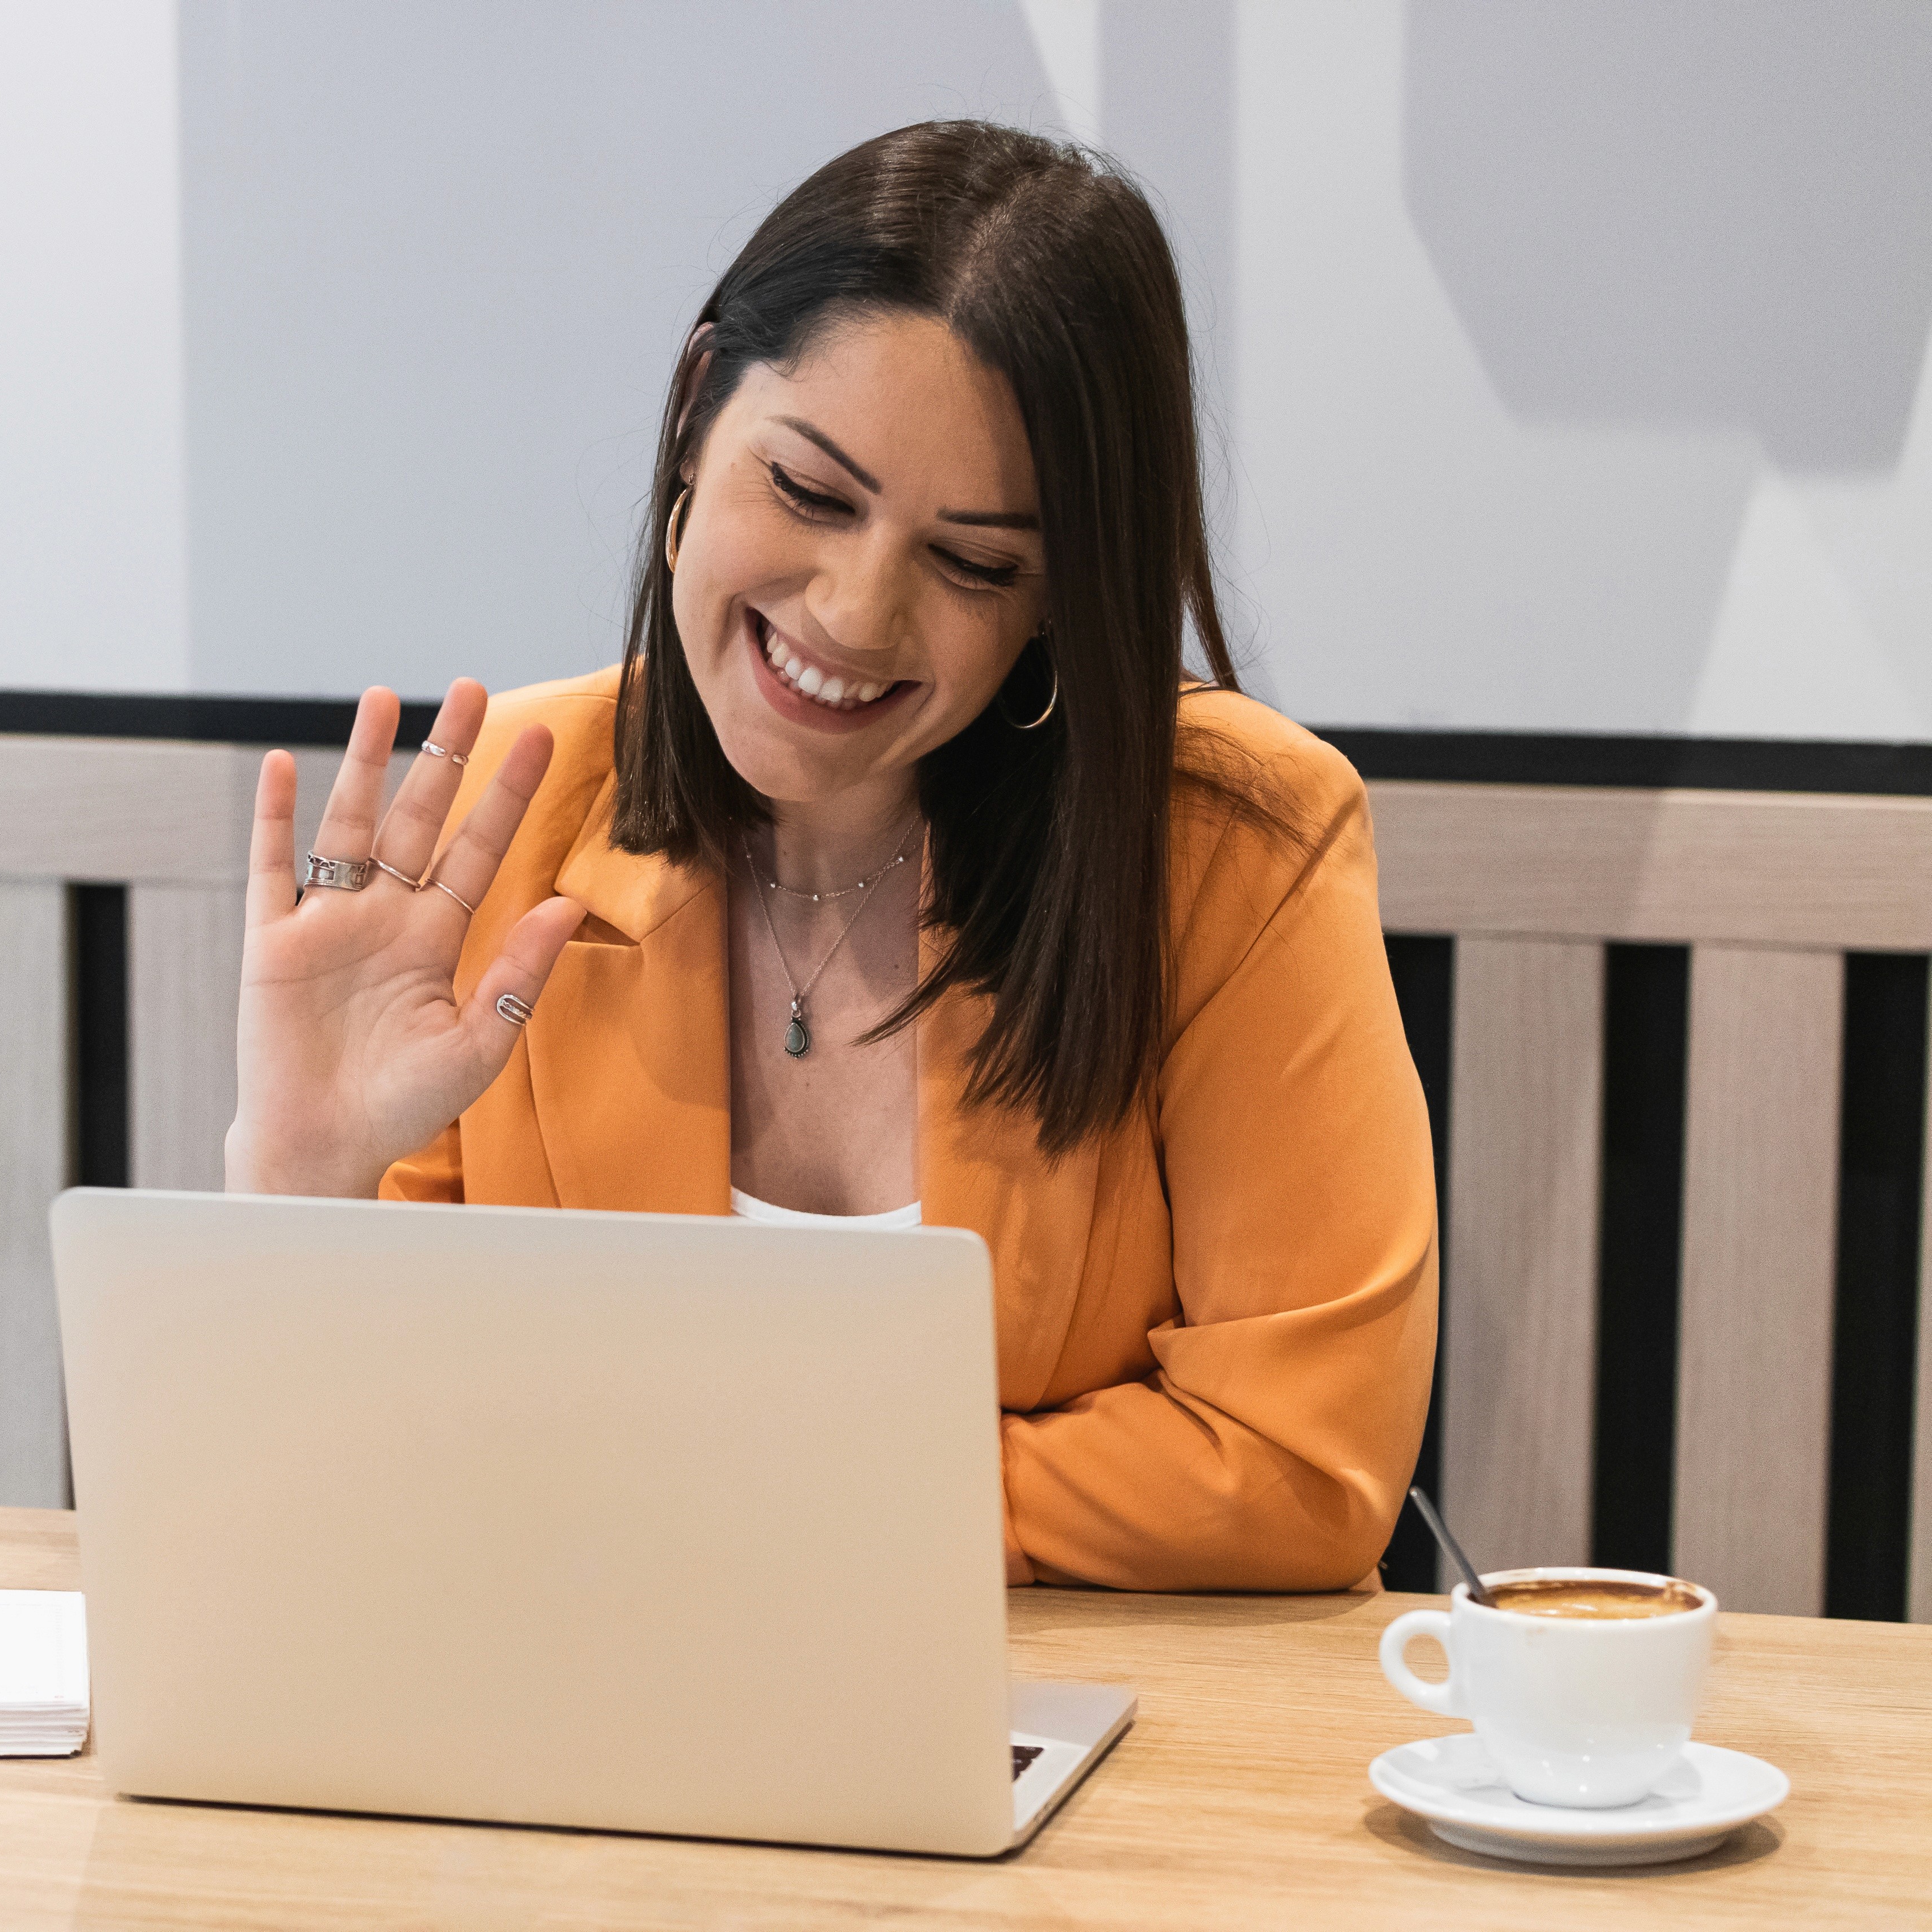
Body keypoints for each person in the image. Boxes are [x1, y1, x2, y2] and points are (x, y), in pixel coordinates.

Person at [223, 120, 1436, 1593]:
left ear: (1057, 599)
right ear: (692, 418)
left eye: (974, 562)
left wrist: (710, 1475)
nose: (856, 616)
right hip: (583, 1732)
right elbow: (363, 1468)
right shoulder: (501, 818)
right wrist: (298, 1183)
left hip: (1090, 1746)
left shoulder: (1233, 843)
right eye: (808, 493)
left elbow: (1295, 1475)